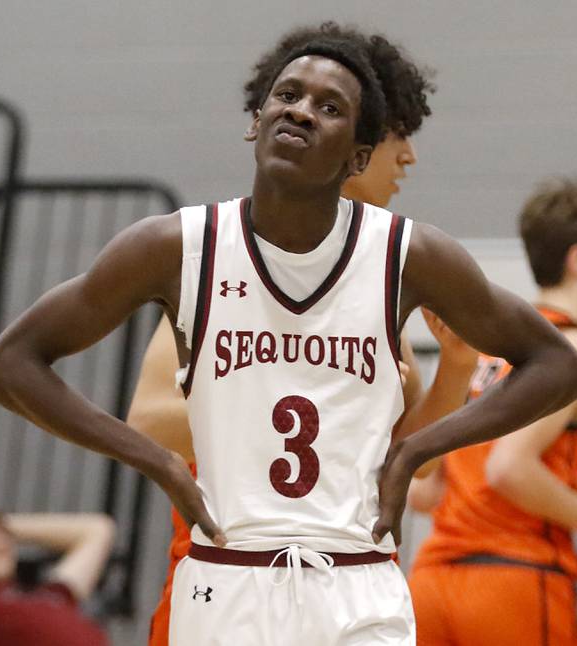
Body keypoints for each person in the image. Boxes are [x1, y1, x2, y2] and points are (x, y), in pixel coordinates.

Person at [0, 28, 577, 645]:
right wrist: (156, 460)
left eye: (329, 107)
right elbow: (10, 365)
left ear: (356, 155)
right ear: (256, 118)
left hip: (355, 579)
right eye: (288, 94)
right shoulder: (181, 247)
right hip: (227, 572)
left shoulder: (407, 256)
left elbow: (556, 366)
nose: (300, 110)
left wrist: (415, 451)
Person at [125, 22, 468, 646]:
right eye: (400, 136)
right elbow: (148, 419)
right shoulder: (218, 253)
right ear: (363, 141)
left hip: (346, 585)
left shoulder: (384, 270)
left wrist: (458, 367)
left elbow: (403, 459)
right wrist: (287, 386)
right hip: (228, 577)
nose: (409, 159)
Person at [408, 179, 577, 646]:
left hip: (432, 582)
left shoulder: (491, 352)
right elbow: (508, 468)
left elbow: (428, 490)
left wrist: (571, 489)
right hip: (515, 580)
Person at [0, 498, 114, 645]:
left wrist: (3, 524)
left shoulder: (47, 594)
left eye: (2, 533)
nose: (0, 541)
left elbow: (98, 529)